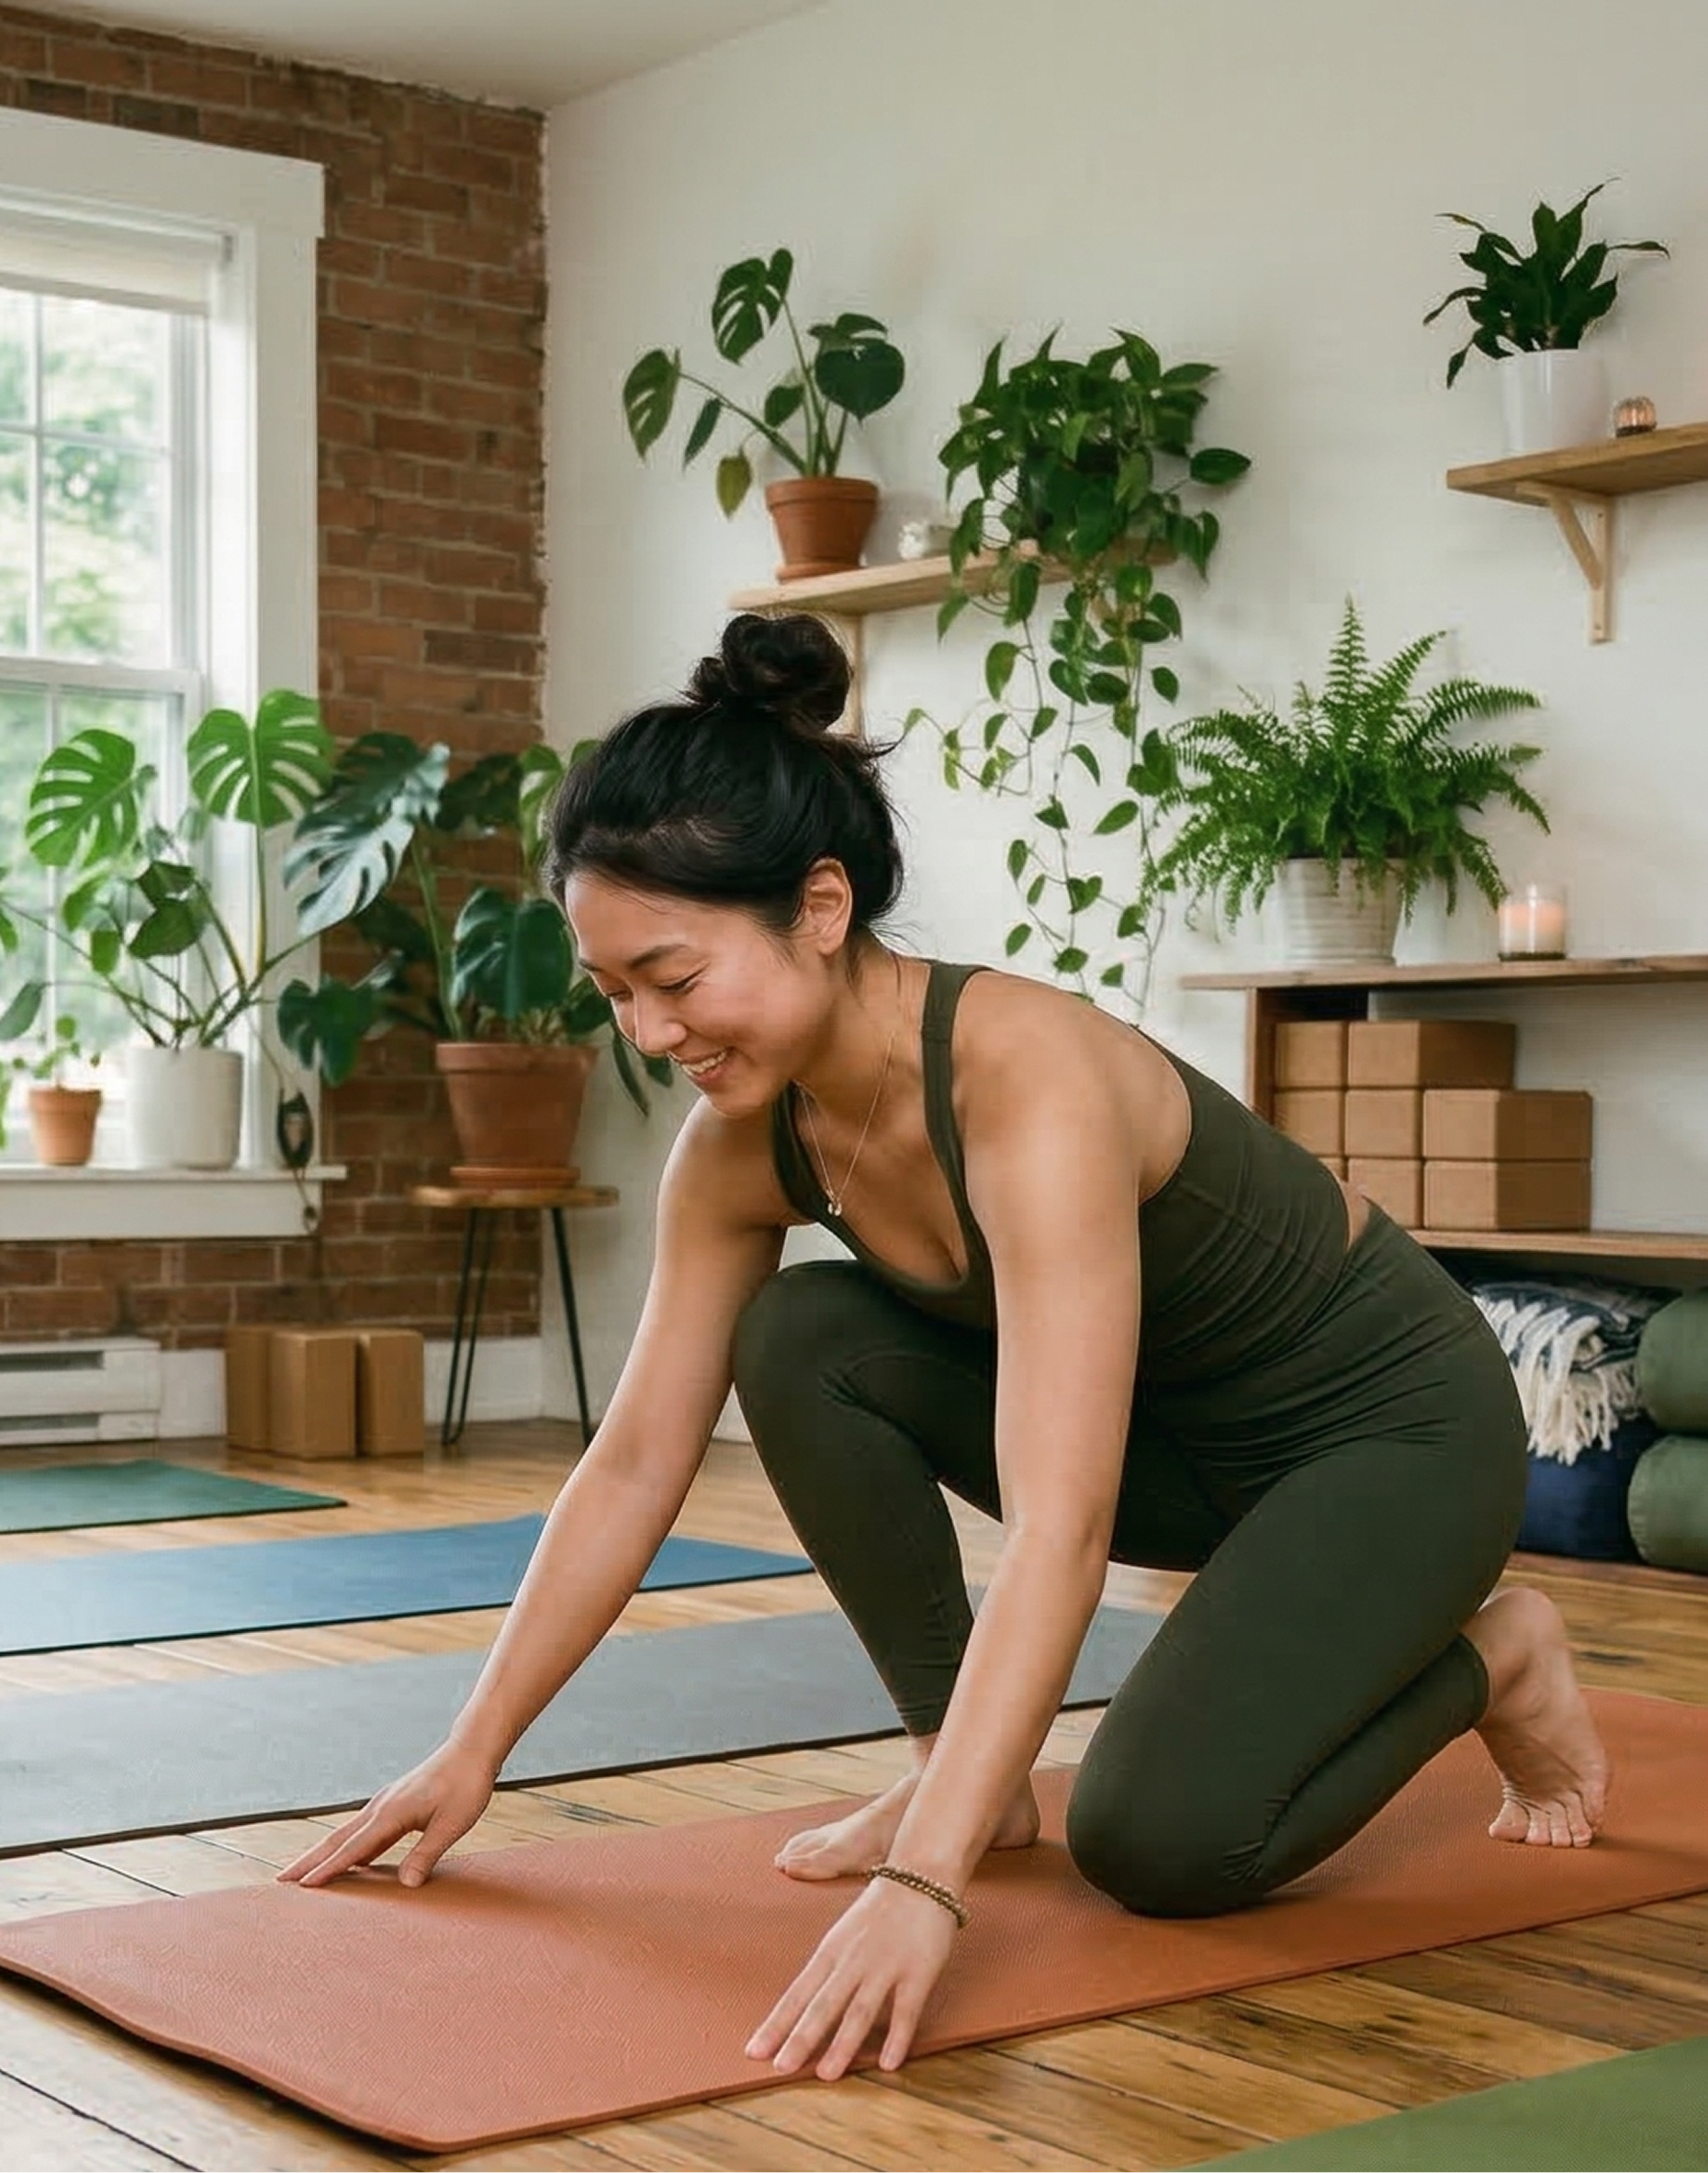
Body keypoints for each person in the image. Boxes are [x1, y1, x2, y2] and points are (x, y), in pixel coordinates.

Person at [278, 612, 1612, 2082]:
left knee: (1163, 1839)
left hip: (1385, 1436)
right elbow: (635, 1460)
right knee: (802, 1336)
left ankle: (1500, 1652)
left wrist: (925, 1885)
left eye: (676, 976)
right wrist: (473, 1749)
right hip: (1178, 1448)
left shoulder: (1023, 1077)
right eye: (614, 994)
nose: (651, 1033)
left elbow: (1063, 1520)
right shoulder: (740, 1148)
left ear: (823, 904)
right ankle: (964, 1774)